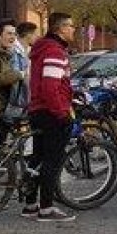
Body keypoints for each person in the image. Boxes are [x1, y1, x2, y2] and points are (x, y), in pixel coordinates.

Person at [26, 12, 77, 222]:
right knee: (51, 161)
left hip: (37, 110)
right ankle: (46, 208)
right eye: (71, 26)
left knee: (37, 158)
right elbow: (50, 87)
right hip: (50, 112)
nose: (73, 29)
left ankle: (30, 205)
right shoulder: (55, 51)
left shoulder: (42, 48)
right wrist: (61, 113)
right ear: (60, 29)